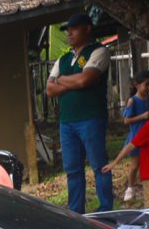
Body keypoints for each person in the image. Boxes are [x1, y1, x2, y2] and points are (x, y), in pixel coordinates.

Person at [45, 11, 112, 213]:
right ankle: (76, 211)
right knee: (72, 169)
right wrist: (72, 81)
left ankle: (106, 210)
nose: (69, 33)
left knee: (99, 165)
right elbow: (49, 90)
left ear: (87, 29)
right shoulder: (63, 59)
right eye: (68, 30)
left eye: (73, 29)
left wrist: (61, 80)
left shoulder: (98, 51)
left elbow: (85, 79)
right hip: (67, 121)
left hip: (91, 117)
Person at [120, 70, 149, 201]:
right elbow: (126, 120)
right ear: (137, 85)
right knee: (135, 166)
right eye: (146, 84)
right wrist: (142, 116)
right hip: (137, 138)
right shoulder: (132, 101)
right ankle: (130, 188)